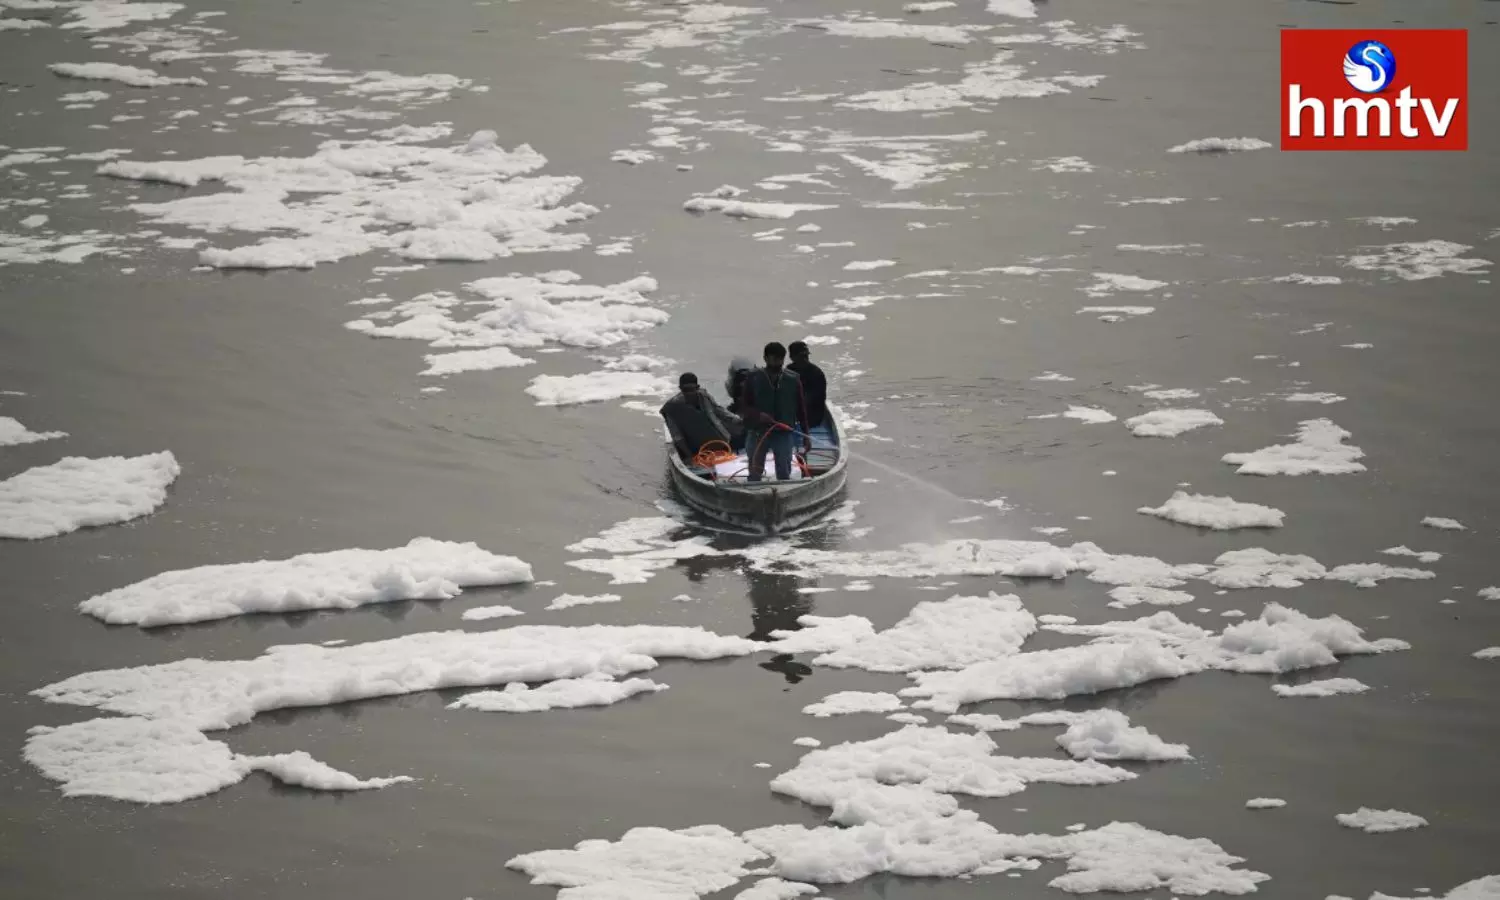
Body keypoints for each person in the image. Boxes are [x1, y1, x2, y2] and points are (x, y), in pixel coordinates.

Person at [737, 341, 811, 482]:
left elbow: (801, 409)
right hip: (757, 432)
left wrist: (806, 436)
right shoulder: (753, 378)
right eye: (774, 359)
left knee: (784, 473)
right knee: (755, 472)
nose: (777, 363)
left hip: (783, 432)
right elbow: (744, 406)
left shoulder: (793, 379)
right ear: (765, 359)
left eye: (780, 359)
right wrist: (758, 415)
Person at [660, 372, 741, 462]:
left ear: (697, 387)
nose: (689, 393)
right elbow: (677, 437)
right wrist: (690, 457)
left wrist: (736, 419)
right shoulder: (672, 408)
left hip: (722, 442)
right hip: (698, 450)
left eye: (692, 389)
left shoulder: (704, 396)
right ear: (680, 389)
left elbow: (719, 410)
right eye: (685, 390)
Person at [786, 340, 828, 431]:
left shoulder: (816, 373)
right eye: (801, 356)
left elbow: (813, 399)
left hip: (812, 417)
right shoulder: (789, 370)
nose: (805, 359)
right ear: (792, 357)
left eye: (806, 356)